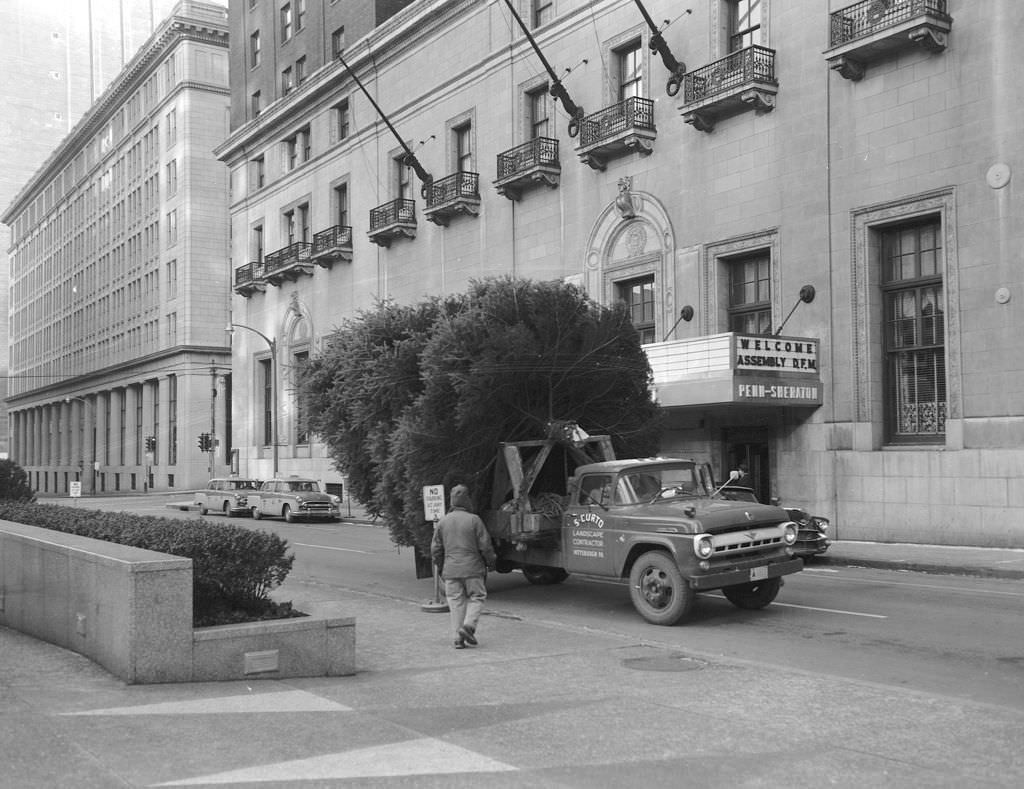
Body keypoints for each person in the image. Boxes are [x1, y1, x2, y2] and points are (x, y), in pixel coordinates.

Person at [430, 484, 497, 649]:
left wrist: (442, 567)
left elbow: (435, 549)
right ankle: (468, 626)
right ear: (467, 500)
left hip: (451, 570)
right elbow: (486, 546)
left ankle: (457, 639)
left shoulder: (443, 521)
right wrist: (491, 562)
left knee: (455, 602)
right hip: (473, 568)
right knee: (477, 597)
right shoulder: (474, 520)